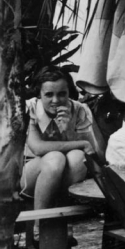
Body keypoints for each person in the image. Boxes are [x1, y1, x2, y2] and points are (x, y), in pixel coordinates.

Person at [20, 71, 99, 211]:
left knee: (78, 157)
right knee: (55, 158)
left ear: (69, 92)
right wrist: (81, 143)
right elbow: (37, 148)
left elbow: (91, 152)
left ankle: (61, 213)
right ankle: (40, 224)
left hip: (65, 175)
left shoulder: (79, 109)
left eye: (62, 94)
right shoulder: (30, 108)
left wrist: (68, 130)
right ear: (39, 94)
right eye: (49, 94)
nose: (56, 100)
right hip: (30, 172)